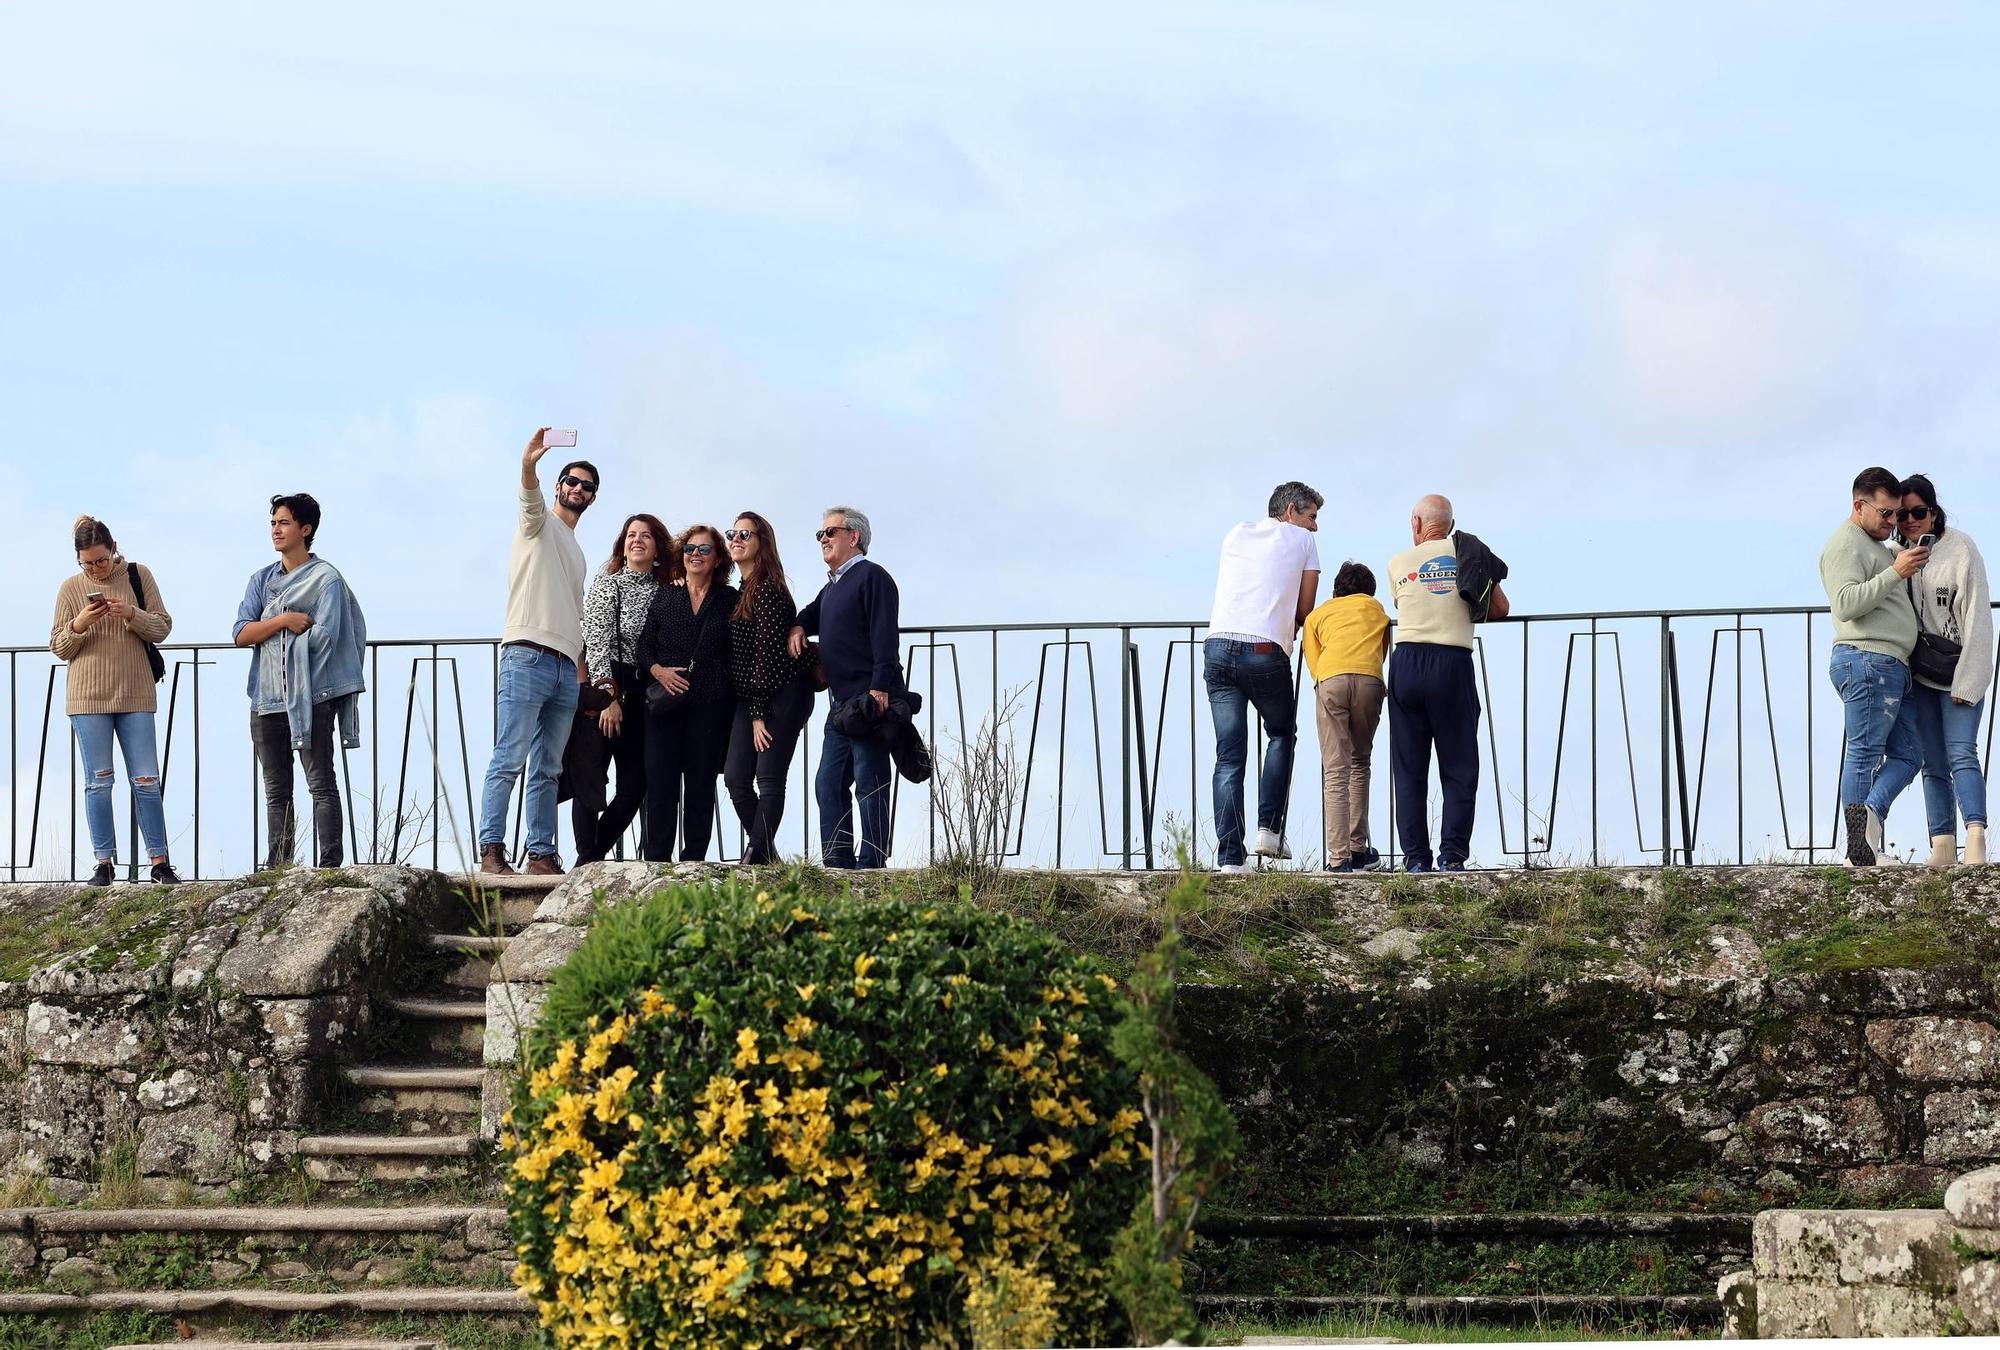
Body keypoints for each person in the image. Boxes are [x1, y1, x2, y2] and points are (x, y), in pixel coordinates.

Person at [477, 430, 596, 876]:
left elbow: (576, 614)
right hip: (526, 654)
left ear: (592, 497)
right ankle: (492, 849)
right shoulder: (538, 522)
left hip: (566, 665)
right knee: (510, 756)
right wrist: (530, 462)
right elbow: (528, 494)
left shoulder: (578, 550)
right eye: (571, 481)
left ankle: (541, 854)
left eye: (587, 486)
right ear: (559, 485)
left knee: (547, 766)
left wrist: (582, 674)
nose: (578, 489)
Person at [232, 493, 367, 871]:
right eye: (273, 522)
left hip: (312, 697)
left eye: (284, 522)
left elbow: (328, 637)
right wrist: (283, 622)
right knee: (276, 792)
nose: (276, 529)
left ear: (305, 530)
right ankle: (278, 866)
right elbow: (241, 632)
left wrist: (286, 642)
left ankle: (329, 867)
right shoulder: (261, 580)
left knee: (321, 784)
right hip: (266, 699)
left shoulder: (327, 580)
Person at [50, 515, 179, 887]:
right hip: (87, 697)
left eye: (101, 561)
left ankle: (160, 862)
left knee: (146, 779)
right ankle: (103, 863)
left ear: (114, 549)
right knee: (99, 781)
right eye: (87, 563)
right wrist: (81, 622)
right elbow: (59, 645)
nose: (95, 568)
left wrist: (132, 614)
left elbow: (163, 626)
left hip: (135, 692)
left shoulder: (139, 575)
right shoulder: (70, 588)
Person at [1386, 494, 1508, 872]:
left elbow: (1403, 605)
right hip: (1452, 662)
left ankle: (1416, 860)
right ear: (1451, 526)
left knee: (1409, 770)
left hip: (1406, 661)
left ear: (1416, 524)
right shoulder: (1469, 553)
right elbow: (1501, 609)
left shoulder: (1396, 563)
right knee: (1458, 766)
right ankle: (1452, 856)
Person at [1204, 482, 1322, 873]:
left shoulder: (1236, 532)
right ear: (1291, 511)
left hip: (1218, 646)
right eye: (1311, 517)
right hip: (1264, 651)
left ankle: (1229, 859)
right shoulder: (1303, 542)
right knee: (1281, 733)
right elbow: (1305, 609)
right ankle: (1269, 830)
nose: (1314, 527)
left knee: (1229, 755)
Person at [787, 506, 905, 869]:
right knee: (828, 784)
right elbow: (808, 614)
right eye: (820, 534)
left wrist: (880, 687)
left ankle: (871, 863)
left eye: (830, 532)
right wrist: (797, 628)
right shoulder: (832, 587)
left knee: (870, 781)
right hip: (840, 703)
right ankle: (838, 862)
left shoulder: (872, 577)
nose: (822, 539)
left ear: (853, 537)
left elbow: (886, 636)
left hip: (868, 697)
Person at [1820, 466, 1925, 867]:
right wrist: (1895, 573)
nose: (1892, 522)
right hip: (1867, 659)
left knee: (1909, 755)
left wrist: (1894, 561)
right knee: (1864, 754)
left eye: (1897, 513)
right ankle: (1861, 853)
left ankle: (1868, 830)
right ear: (1858, 506)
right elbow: (1846, 603)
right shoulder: (1846, 544)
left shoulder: (1875, 546)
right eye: (1885, 513)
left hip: (1886, 663)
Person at [1894, 474, 1991, 867]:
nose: (1911, 521)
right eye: (1902, 515)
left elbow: (1978, 620)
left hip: (1959, 669)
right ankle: (1942, 845)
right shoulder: (1895, 555)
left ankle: (1976, 838)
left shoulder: (1961, 549)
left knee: (1961, 754)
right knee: (1932, 763)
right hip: (1918, 674)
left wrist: (1970, 680)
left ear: (1934, 513)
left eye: (1919, 512)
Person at [570, 513, 678, 864]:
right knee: (591, 779)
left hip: (645, 690)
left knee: (634, 785)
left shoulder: (666, 590)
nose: (637, 540)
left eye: (645, 535)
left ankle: (591, 859)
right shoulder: (608, 583)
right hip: (609, 683)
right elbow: (596, 641)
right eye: (631, 535)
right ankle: (587, 859)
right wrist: (608, 698)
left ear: (658, 545)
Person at [636, 524, 738, 861]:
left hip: (710, 703)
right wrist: (658, 671)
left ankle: (694, 859)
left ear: (718, 558)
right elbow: (643, 645)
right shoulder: (667, 594)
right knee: (661, 784)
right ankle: (656, 861)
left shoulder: (729, 599)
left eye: (704, 549)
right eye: (689, 549)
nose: (695, 554)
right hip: (665, 704)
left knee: (700, 783)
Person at [723, 511, 817, 864]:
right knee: (735, 778)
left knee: (769, 777)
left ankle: (753, 858)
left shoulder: (767, 589)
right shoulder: (743, 591)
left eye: (745, 534)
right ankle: (767, 856)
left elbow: (766, 655)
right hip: (754, 697)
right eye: (732, 533)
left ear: (762, 543)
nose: (736, 539)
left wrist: (759, 714)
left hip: (783, 692)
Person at [1302, 561, 1391, 872]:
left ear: (1336, 590)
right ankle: (1358, 847)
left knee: (1335, 770)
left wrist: (1326, 683)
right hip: (1369, 680)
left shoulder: (1318, 615)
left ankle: (1339, 859)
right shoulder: (1376, 609)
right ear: (1370, 591)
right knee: (1359, 761)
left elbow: (1312, 659)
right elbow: (1382, 649)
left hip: (1331, 679)